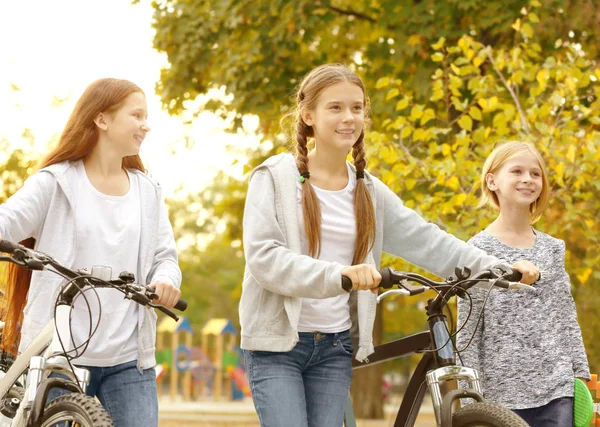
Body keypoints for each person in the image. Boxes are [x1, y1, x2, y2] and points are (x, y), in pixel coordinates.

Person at [239, 64, 540, 427]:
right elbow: (265, 258)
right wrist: (341, 275)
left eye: (357, 107)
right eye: (335, 107)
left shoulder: (368, 191)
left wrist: (496, 267)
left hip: (334, 346)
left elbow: (427, 240)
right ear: (308, 115)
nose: (349, 117)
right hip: (277, 347)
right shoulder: (273, 178)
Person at [0, 78, 181, 427]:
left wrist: (165, 281)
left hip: (128, 357)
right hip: (58, 356)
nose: (146, 124)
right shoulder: (55, 183)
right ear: (102, 120)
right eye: (137, 115)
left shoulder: (148, 192)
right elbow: (7, 223)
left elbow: (165, 257)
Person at [456, 141, 590, 427]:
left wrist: (580, 374)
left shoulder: (554, 249)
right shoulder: (474, 252)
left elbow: (566, 316)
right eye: (517, 171)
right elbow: (467, 332)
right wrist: (470, 401)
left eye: (535, 174)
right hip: (498, 397)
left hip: (556, 390)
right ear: (492, 180)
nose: (528, 179)